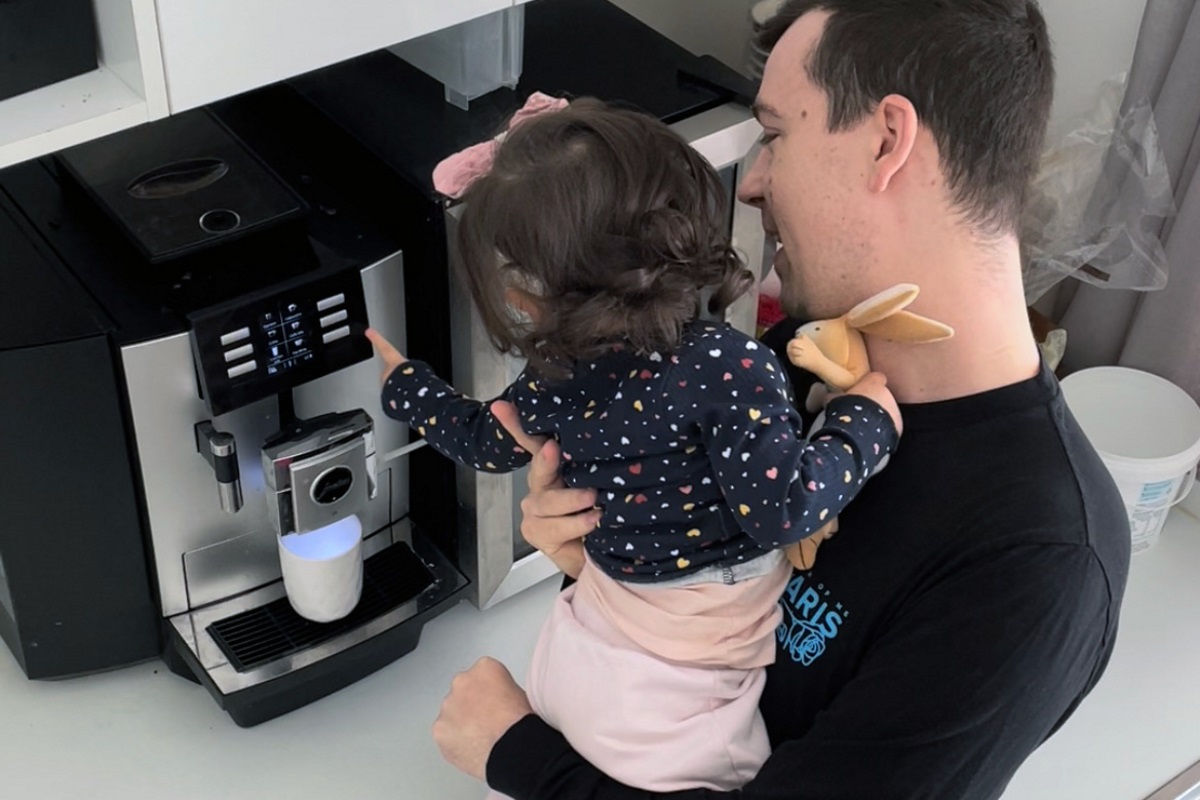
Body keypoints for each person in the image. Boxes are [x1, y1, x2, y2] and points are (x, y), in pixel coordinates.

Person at [431, 1, 1133, 799]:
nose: (755, 184)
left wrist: (516, 754)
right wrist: (599, 567)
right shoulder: (785, 358)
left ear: (887, 142)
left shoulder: (1037, 563)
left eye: (774, 135)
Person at [367, 99, 900, 794]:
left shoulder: (552, 376)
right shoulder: (726, 362)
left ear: (525, 297)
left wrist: (406, 386)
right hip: (682, 687)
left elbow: (484, 441)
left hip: (584, 650)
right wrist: (864, 424)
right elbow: (783, 508)